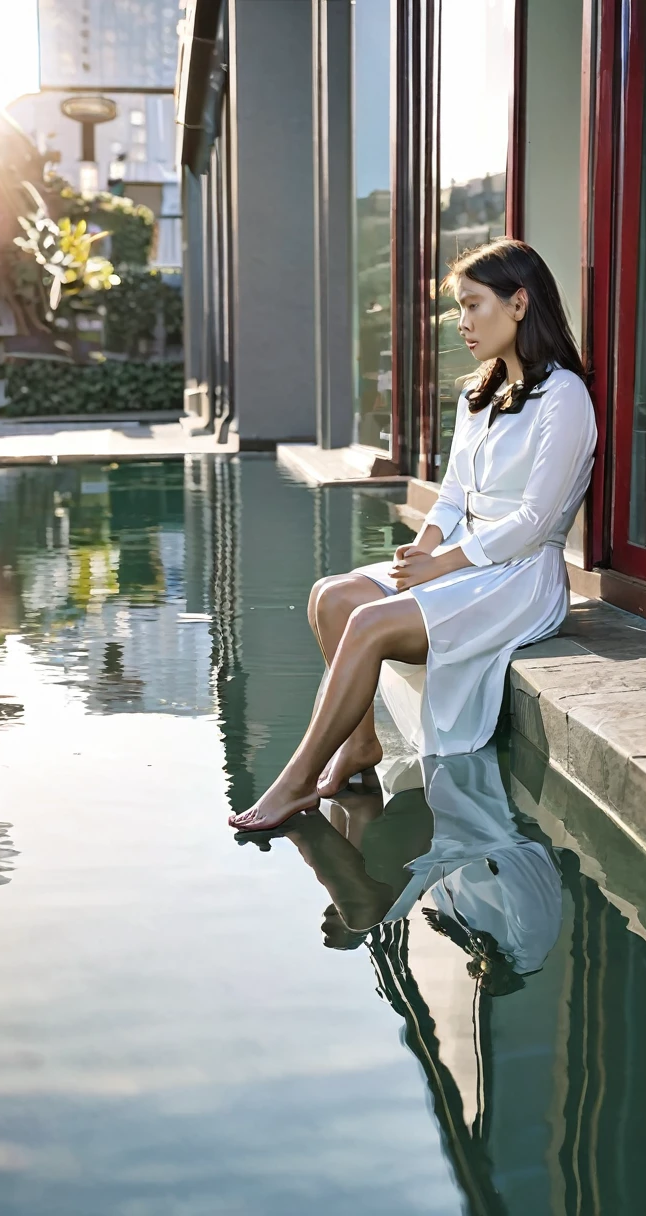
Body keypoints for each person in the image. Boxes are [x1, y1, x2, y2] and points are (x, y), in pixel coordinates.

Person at [229, 238, 596, 831]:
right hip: (468, 563)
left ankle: (297, 778)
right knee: (333, 595)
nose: (463, 323)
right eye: (460, 309)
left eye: (474, 305)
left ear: (520, 303)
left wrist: (444, 564)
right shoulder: (479, 396)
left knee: (370, 621)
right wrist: (424, 546)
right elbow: (452, 494)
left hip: (522, 579)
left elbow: (533, 521)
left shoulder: (565, 397)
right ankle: (359, 744)